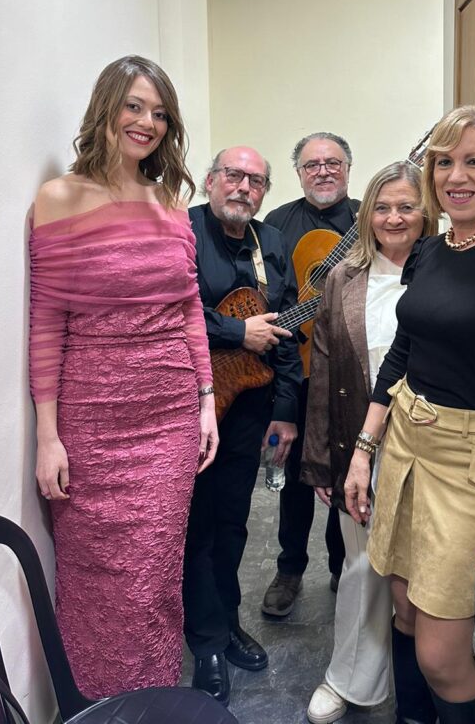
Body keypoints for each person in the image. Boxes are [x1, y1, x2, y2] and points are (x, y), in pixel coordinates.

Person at [344, 105, 475, 724]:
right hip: (407, 446)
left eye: (473, 161)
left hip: (473, 466)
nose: (456, 176)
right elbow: (405, 353)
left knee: (442, 656)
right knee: (405, 612)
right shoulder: (431, 251)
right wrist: (365, 448)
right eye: (444, 162)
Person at [29, 55, 217, 698]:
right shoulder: (58, 198)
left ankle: (151, 699)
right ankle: (93, 703)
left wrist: (206, 400)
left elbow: (189, 307)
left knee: (152, 574)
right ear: (106, 108)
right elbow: (47, 322)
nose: (147, 122)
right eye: (135, 106)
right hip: (90, 419)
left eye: (160, 113)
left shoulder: (170, 202)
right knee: (92, 573)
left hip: (167, 414)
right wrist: (48, 436)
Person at [301, 162, 438, 724]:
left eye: (406, 206)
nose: (393, 218)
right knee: (361, 567)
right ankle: (350, 680)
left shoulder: (445, 270)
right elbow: (323, 372)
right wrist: (320, 463)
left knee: (423, 572)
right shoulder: (344, 278)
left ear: (426, 212)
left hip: (433, 448)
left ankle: (428, 684)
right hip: (359, 445)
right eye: (382, 208)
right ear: (366, 215)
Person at [184, 147, 302, 706]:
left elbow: (285, 326)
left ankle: (227, 621)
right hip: (189, 404)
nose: (243, 187)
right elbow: (170, 310)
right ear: (210, 180)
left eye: (256, 181)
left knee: (233, 521)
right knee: (197, 524)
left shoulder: (269, 242)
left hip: (250, 405)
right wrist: (237, 333)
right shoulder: (181, 232)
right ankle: (206, 640)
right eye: (233, 175)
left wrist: (286, 408)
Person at [261, 132, 359, 617]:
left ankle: (345, 567)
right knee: (296, 474)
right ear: (298, 173)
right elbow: (269, 296)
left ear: (348, 169)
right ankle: (290, 569)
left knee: (347, 471)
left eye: (333, 162)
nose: (323, 171)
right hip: (296, 368)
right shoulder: (276, 223)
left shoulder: (368, 217)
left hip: (350, 369)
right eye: (312, 164)